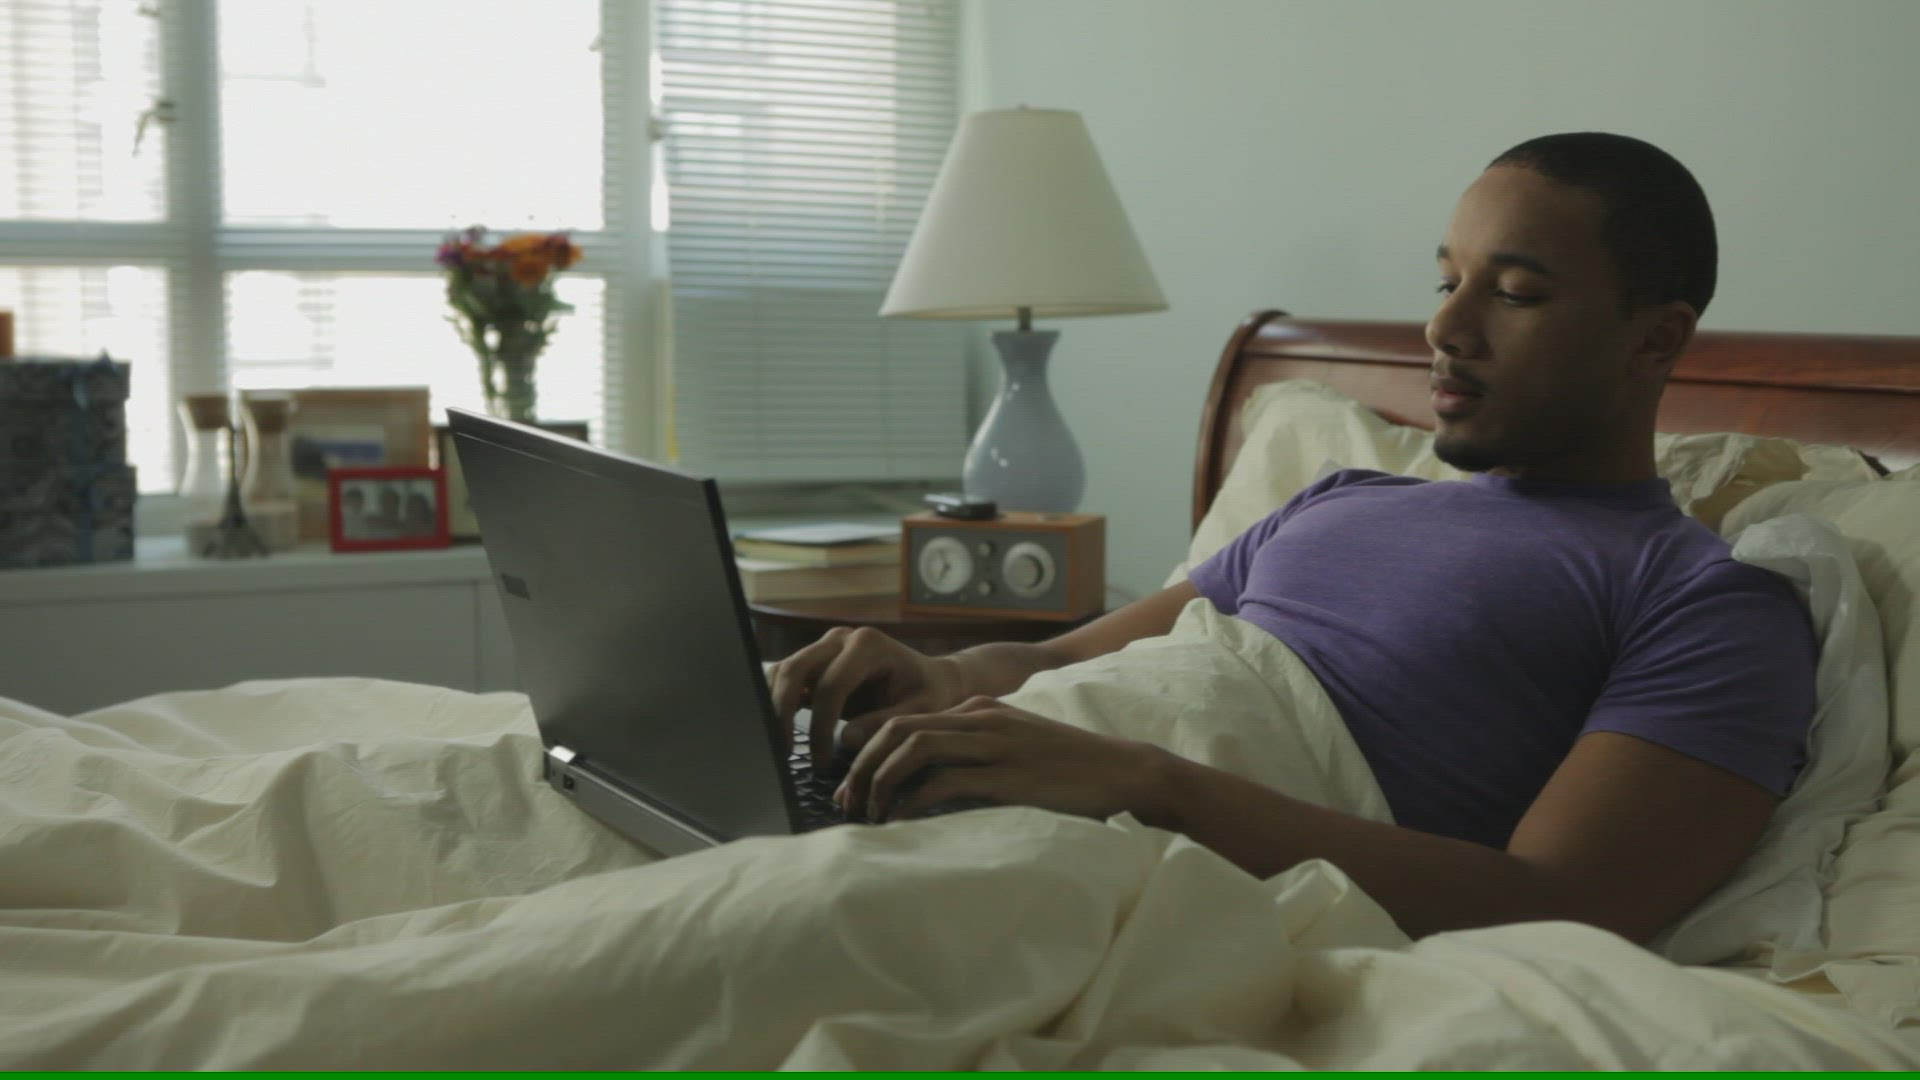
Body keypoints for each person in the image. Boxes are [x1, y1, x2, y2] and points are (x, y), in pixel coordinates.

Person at [767, 132, 1820, 947]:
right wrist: (935, 677)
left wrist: (1149, 783)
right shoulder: (1343, 499)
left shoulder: (1704, 600)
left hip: (1134, 849)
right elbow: (1062, 660)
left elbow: (1557, 905)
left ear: (1655, 338)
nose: (1445, 330)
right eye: (1446, 281)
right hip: (960, 784)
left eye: (1514, 294)